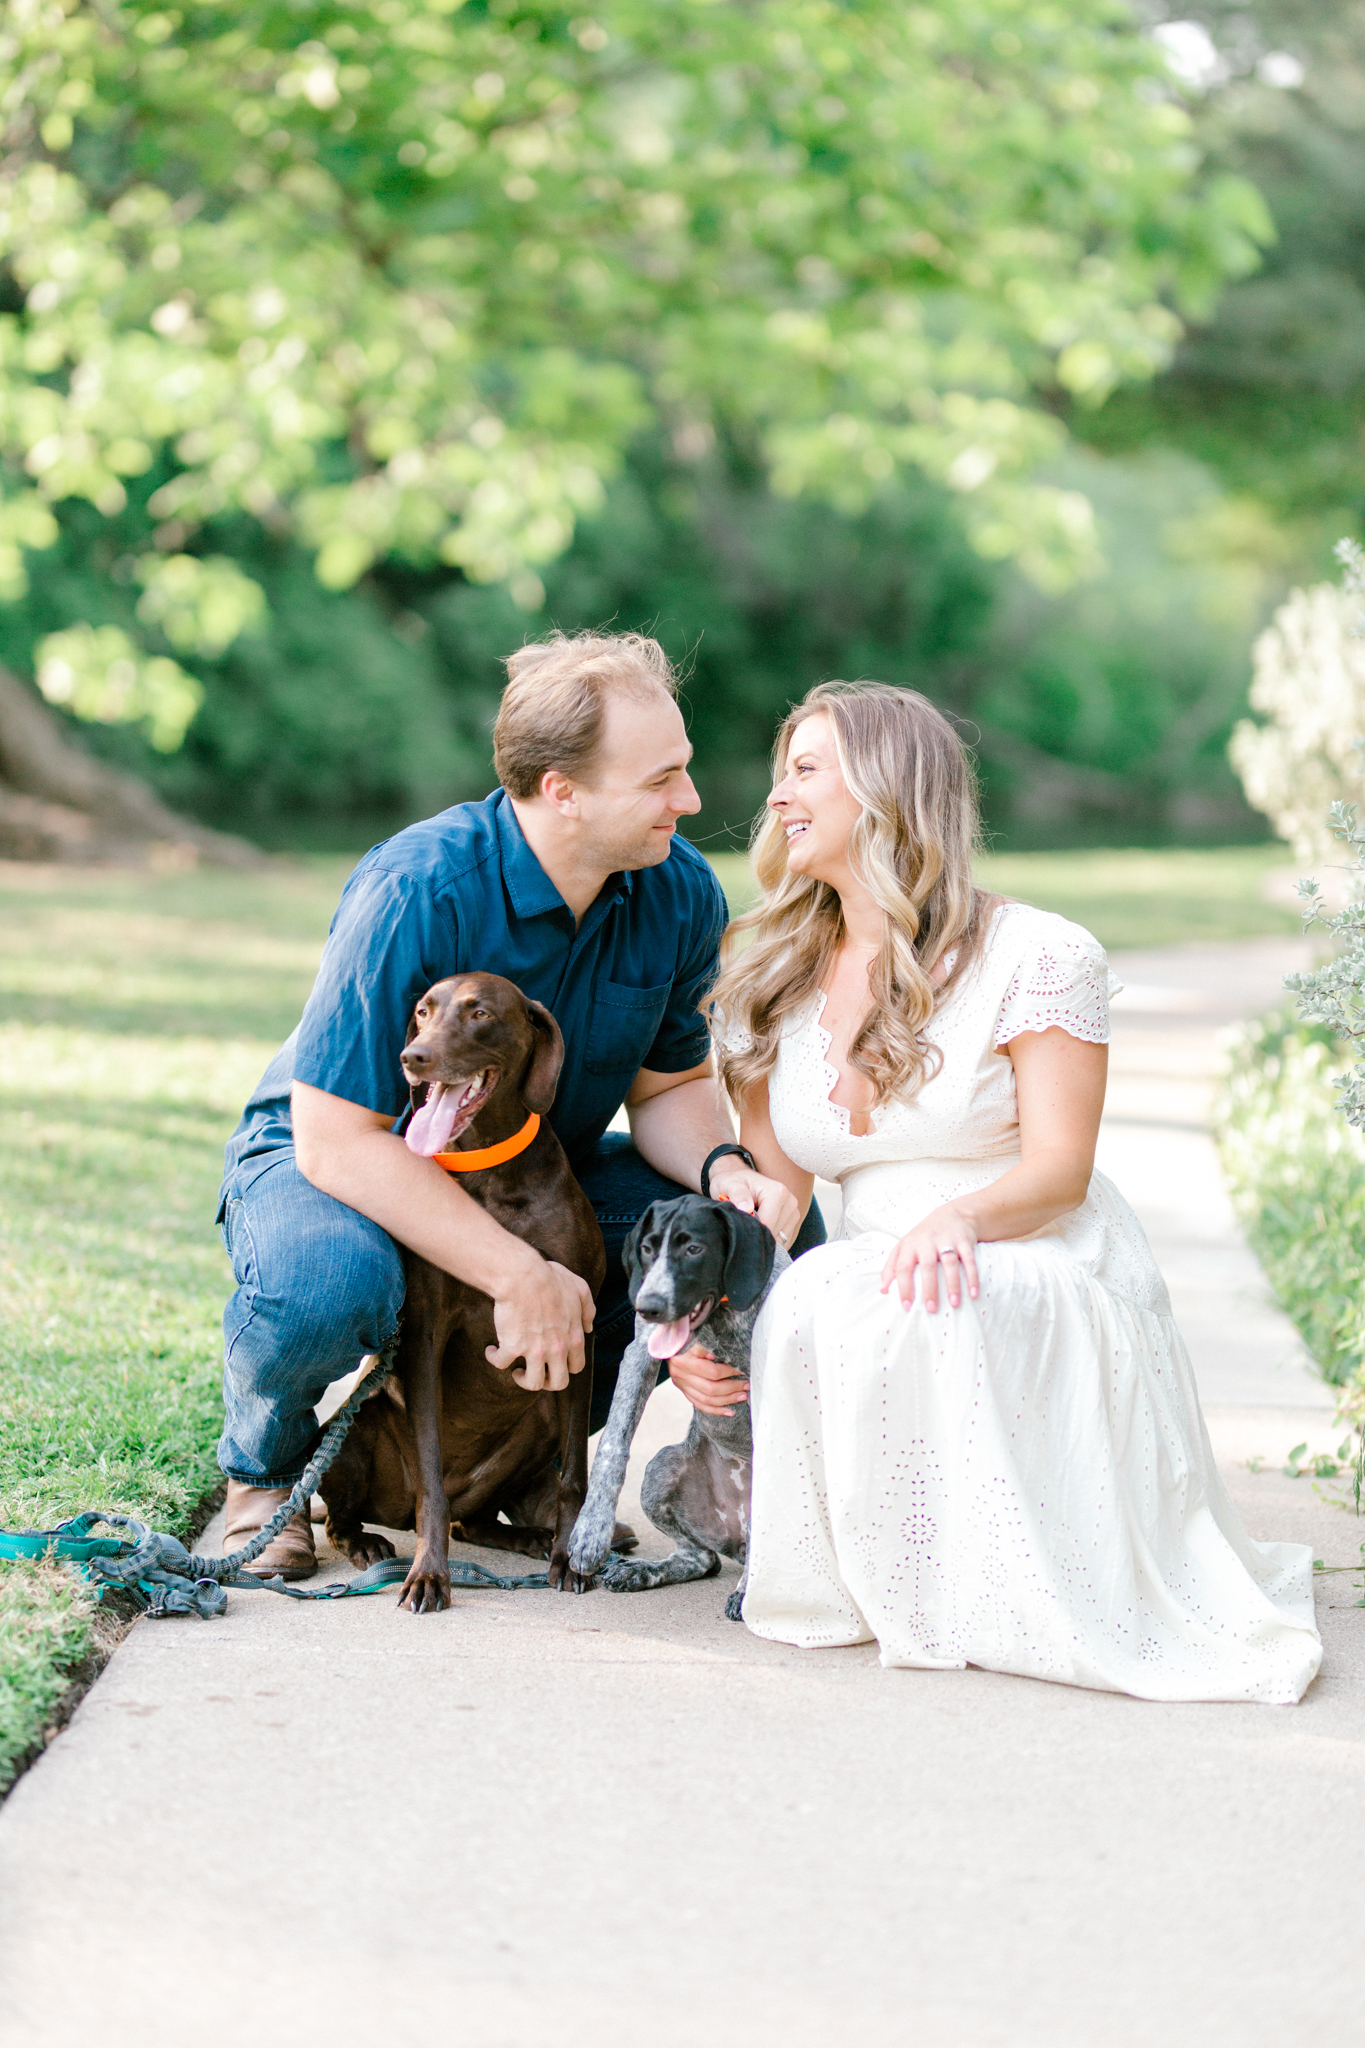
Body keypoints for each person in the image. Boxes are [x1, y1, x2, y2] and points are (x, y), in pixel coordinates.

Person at [674, 680, 1321, 1703]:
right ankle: (873, 1575)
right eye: (782, 772)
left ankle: (987, 1584)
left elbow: (1060, 1172)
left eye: (806, 769)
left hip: (1038, 1248)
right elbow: (781, 1196)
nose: (779, 797)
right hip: (876, 1261)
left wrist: (960, 1216)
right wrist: (707, 1326)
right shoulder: (777, 973)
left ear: (885, 788)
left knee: (922, 1293)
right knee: (816, 1296)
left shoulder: (1037, 954)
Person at [215, 631, 818, 1580]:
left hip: (535, 1172)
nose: (691, 802)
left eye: (686, 771)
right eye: (662, 779)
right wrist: (516, 1273)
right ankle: (267, 1476)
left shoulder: (677, 891)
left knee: (748, 1228)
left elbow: (666, 1091)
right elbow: (337, 1142)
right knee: (324, 1283)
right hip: (337, 1160)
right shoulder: (415, 888)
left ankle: (554, 1466)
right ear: (561, 791)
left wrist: (725, 1169)